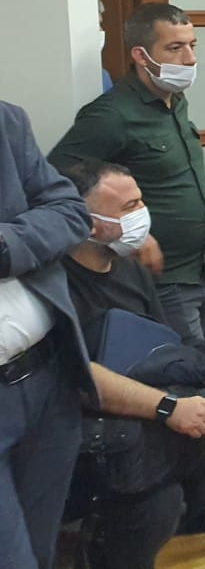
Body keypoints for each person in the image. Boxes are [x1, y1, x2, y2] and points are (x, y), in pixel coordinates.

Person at [58, 159, 205, 569]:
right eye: (129, 208)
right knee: (159, 505)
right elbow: (75, 378)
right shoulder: (56, 285)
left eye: (140, 201)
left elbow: (163, 346)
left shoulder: (129, 268)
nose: (142, 215)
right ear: (87, 223)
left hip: (153, 396)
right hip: (89, 419)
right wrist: (169, 408)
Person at [51, 3, 205, 386]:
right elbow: (58, 181)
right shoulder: (110, 115)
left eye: (192, 45)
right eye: (175, 48)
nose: (190, 58)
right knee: (187, 381)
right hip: (165, 278)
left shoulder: (174, 100)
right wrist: (132, 234)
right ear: (141, 56)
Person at [1, 100, 94, 567]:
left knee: (41, 551)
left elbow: (70, 210)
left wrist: (8, 246)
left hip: (48, 379)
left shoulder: (6, 122)